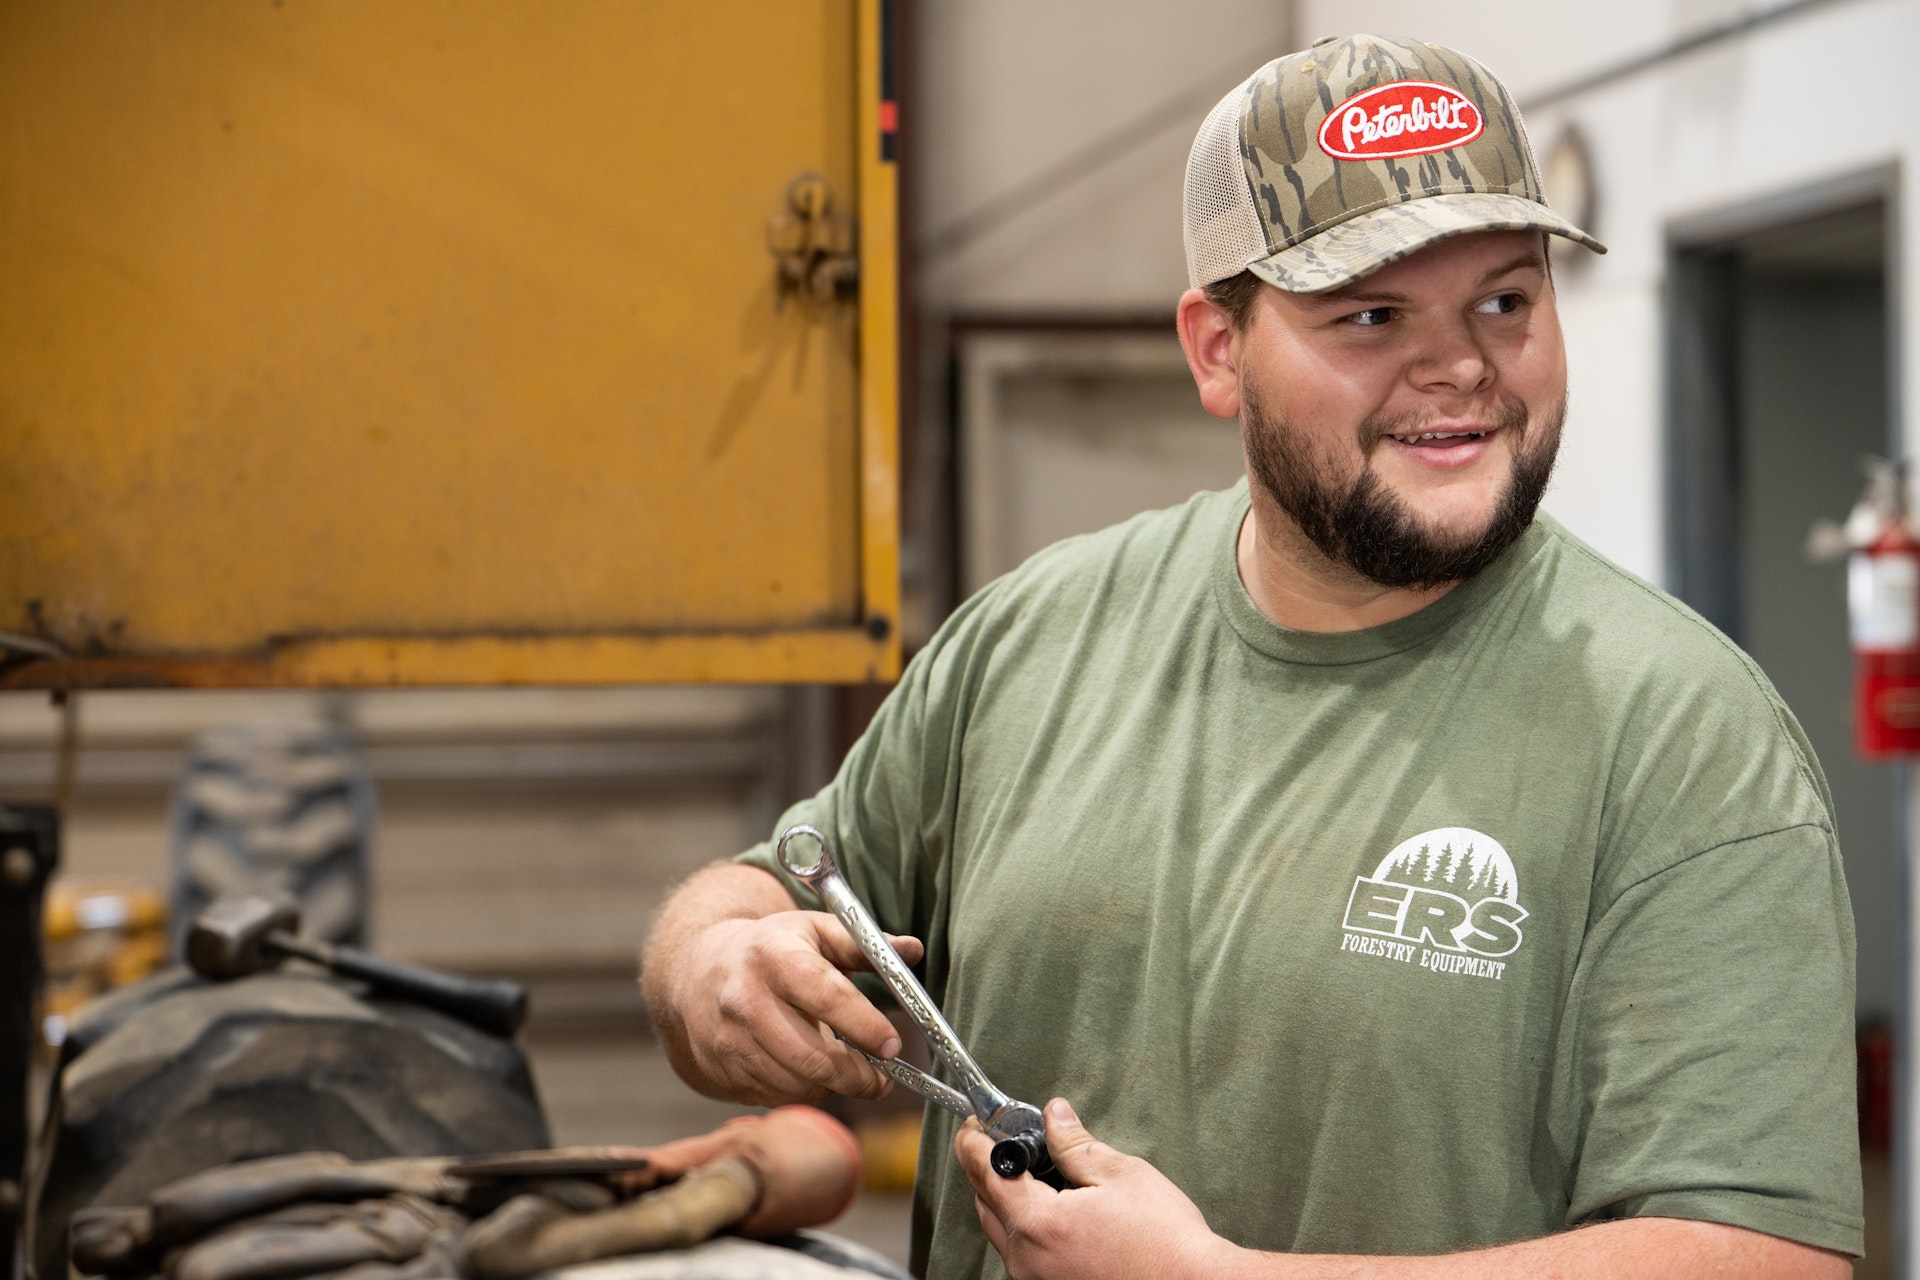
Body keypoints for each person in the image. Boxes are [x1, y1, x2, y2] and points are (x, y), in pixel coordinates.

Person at [642, 33, 1862, 1280]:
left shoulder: (1683, 733)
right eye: (1371, 314)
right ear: (1217, 349)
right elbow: (754, 896)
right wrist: (712, 966)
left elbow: (1764, 1255)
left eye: (1506, 300)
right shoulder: (1033, 639)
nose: (1460, 366)